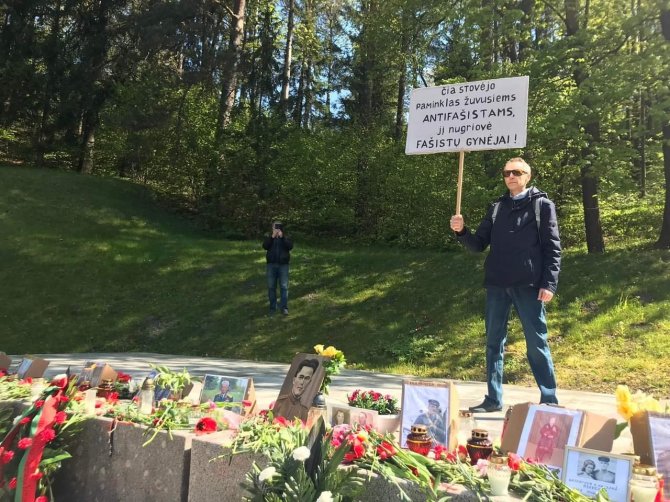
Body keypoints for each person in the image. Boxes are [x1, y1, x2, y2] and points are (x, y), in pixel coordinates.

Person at [450, 157, 561, 413]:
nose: (510, 176)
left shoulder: (542, 205)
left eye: (516, 172)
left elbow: (553, 248)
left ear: (527, 176)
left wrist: (549, 283)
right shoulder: (497, 207)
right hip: (497, 284)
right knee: (493, 342)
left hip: (529, 285)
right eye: (506, 173)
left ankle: (549, 400)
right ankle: (493, 398)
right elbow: (478, 244)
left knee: (537, 342)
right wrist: (461, 231)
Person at [262, 220, 293, 315]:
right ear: (272, 228)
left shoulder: (286, 236)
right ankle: (272, 308)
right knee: (271, 287)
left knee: (284, 287)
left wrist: (282, 237)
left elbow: (290, 246)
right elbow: (265, 246)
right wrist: (272, 237)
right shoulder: (269, 236)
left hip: (283, 265)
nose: (276, 229)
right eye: (274, 227)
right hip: (271, 265)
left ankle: (284, 308)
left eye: (278, 227)